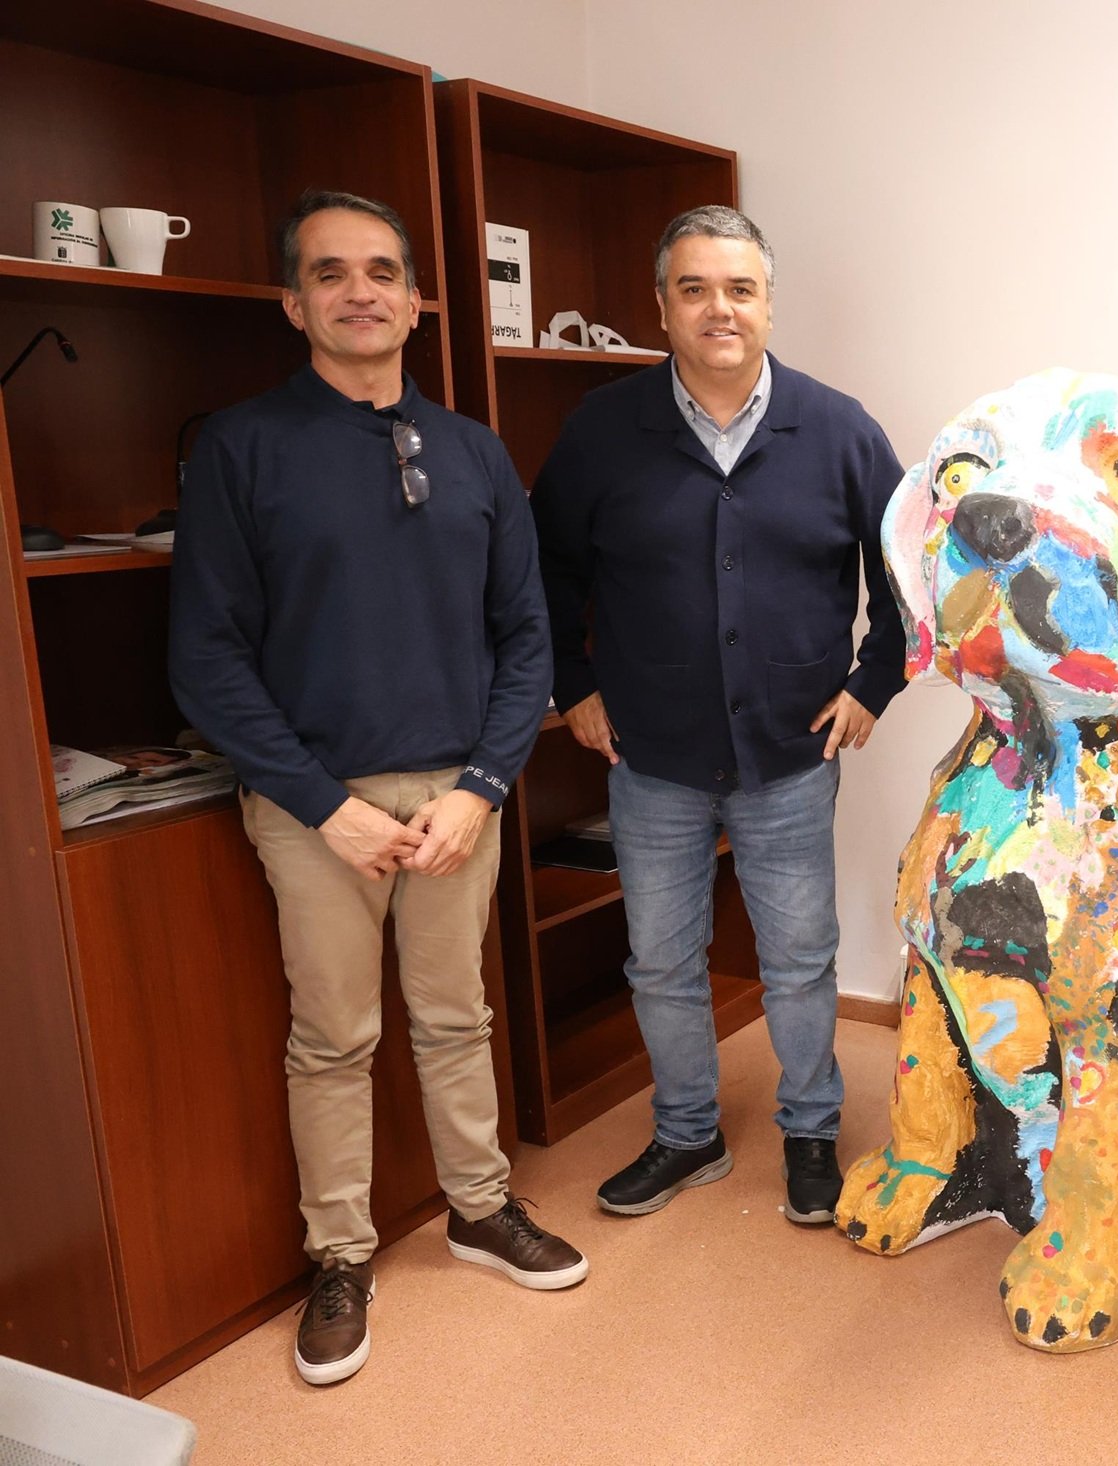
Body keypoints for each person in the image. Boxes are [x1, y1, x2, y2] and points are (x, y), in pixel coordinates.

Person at [169, 190, 588, 1388]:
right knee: (334, 1035)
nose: (363, 291)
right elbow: (205, 654)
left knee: (459, 1015)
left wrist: (481, 786)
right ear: (294, 302)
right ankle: (340, 1254)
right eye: (332, 273)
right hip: (318, 805)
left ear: (415, 299)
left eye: (384, 272)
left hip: (458, 792)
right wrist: (321, 802)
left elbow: (527, 636)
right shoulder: (242, 450)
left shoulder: (471, 449)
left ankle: (477, 1206)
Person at [531, 206, 905, 1226]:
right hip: (650, 753)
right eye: (694, 289)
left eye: (739, 288)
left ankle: (812, 1127)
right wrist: (575, 684)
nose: (718, 308)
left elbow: (912, 570)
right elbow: (546, 568)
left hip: (791, 751)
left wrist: (872, 683)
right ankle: (686, 1132)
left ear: (769, 303)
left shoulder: (839, 430)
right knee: (659, 955)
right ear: (661, 308)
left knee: (797, 954)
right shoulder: (605, 429)